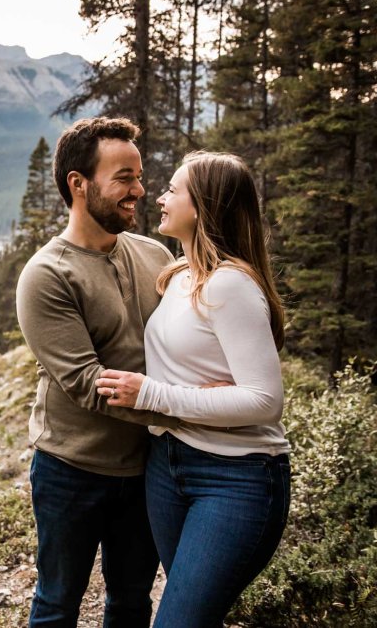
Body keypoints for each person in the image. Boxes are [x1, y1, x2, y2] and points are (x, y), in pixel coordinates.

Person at [95, 151, 290, 628]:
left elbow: (264, 401)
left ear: (203, 206)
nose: (158, 197)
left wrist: (153, 395)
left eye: (173, 190)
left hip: (236, 479)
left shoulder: (230, 285)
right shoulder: (180, 276)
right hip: (167, 467)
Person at [16, 116, 178, 627]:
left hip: (148, 465)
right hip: (72, 470)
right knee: (57, 602)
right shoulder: (47, 275)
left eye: (139, 175)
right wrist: (192, 409)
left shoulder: (154, 254)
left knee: (132, 602)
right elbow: (89, 385)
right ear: (78, 185)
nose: (139, 190)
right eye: (124, 178)